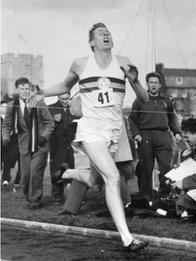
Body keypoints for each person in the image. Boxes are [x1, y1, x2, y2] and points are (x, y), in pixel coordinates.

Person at [27, 23, 149, 252]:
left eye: (109, 33)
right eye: (100, 33)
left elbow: (143, 98)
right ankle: (128, 239)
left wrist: (135, 80)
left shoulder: (122, 61)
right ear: (92, 42)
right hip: (91, 130)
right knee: (112, 176)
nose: (106, 35)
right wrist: (41, 92)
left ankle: (68, 173)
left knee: (95, 183)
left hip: (114, 131)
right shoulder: (81, 63)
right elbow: (65, 85)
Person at [128, 72, 182, 206]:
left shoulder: (166, 100)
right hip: (145, 136)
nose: (153, 85)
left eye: (156, 82)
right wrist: (136, 134)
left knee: (166, 167)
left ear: (159, 85)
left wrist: (177, 132)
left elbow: (172, 117)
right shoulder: (140, 100)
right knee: (146, 168)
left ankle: (164, 197)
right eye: (151, 82)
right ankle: (146, 197)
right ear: (147, 84)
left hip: (163, 136)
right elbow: (132, 119)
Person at [2, 78, 54, 209]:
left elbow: (49, 123)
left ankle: (36, 200)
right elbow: (7, 125)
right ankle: (30, 199)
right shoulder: (11, 106)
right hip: (24, 145)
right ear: (17, 90)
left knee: (35, 170)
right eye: (21, 89)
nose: (24, 91)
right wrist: (5, 137)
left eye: (26, 89)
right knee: (25, 176)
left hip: (40, 145)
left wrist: (44, 136)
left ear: (30, 89)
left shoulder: (38, 102)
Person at [48, 92, 77, 205]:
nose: (65, 101)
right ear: (57, 96)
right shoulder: (51, 108)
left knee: (73, 170)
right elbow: (46, 127)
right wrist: (54, 121)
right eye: (62, 99)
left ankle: (73, 197)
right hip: (57, 144)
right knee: (56, 170)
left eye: (67, 98)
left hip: (72, 144)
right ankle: (57, 197)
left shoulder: (75, 108)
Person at [1, 100, 21, 188]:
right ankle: (5, 178)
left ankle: (16, 180)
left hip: (12, 143)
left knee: (13, 160)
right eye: (3, 107)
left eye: (7, 107)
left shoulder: (13, 117)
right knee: (6, 161)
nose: (5, 109)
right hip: (2, 145)